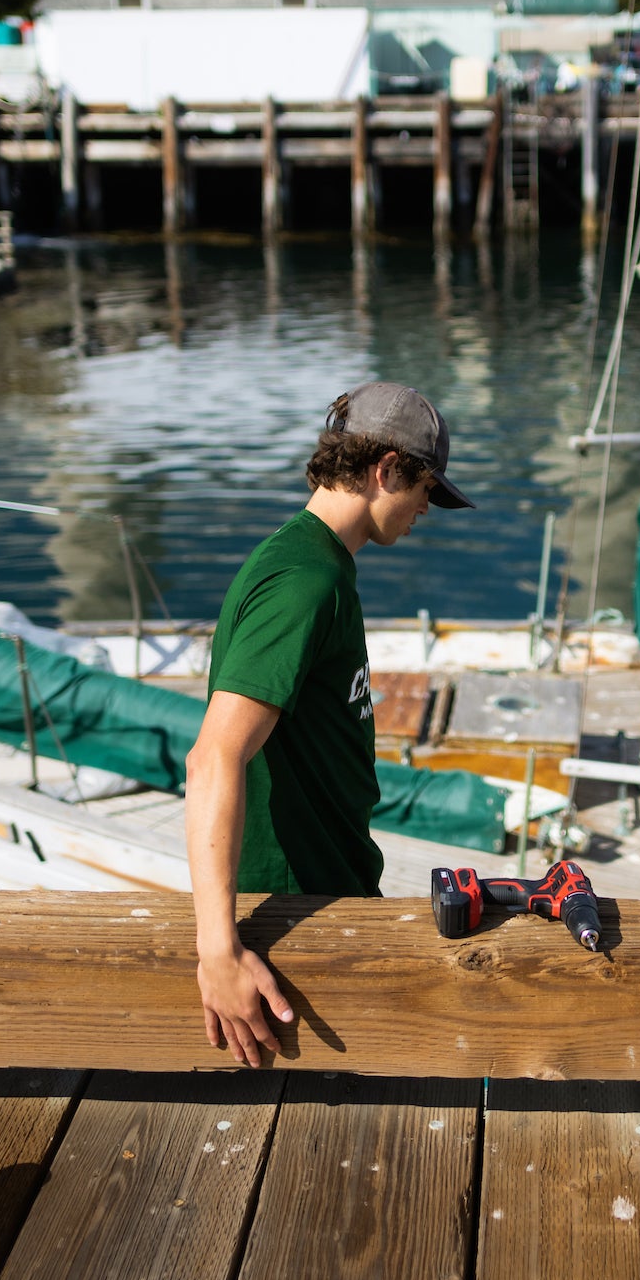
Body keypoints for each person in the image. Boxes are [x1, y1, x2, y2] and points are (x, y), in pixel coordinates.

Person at [187, 382, 474, 1064]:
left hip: (327, 896)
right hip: (293, 928)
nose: (424, 510)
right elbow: (213, 757)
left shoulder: (316, 563)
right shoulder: (304, 582)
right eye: (425, 489)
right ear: (383, 471)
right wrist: (218, 950)